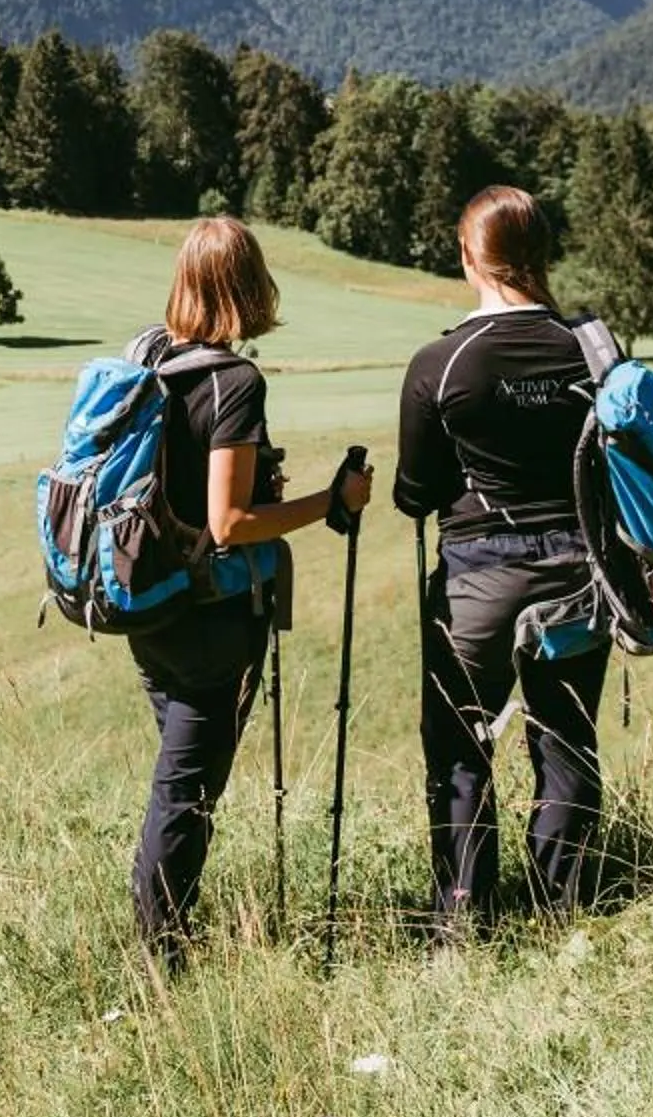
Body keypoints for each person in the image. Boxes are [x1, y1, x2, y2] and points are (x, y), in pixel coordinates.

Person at [125, 215, 374, 967]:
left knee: (182, 771)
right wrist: (334, 501)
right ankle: (158, 955)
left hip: (149, 600)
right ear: (249, 285)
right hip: (213, 616)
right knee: (187, 789)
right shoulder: (234, 380)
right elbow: (230, 522)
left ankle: (165, 934)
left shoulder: (149, 354)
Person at [393, 185, 609, 935]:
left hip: (477, 579)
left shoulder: (440, 363)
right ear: (542, 253)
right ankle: (566, 900)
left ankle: (465, 913)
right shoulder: (592, 350)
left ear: (467, 258)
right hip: (583, 572)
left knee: (458, 739)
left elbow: (414, 494)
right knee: (566, 733)